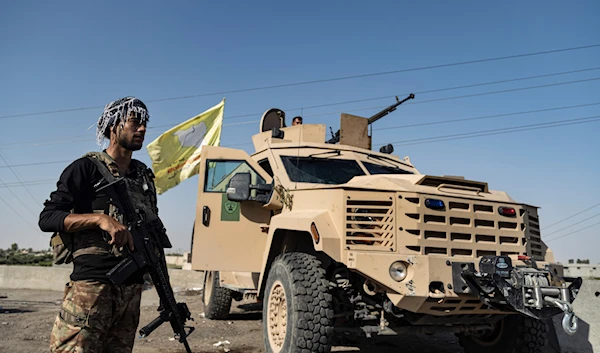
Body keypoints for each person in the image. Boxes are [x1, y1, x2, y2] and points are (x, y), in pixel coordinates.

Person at [39, 96, 160, 353]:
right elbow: (48, 218)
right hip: (92, 287)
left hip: (131, 288)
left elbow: (152, 231)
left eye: (144, 123)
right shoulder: (86, 168)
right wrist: (100, 219)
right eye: (134, 122)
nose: (142, 129)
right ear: (113, 126)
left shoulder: (143, 176)